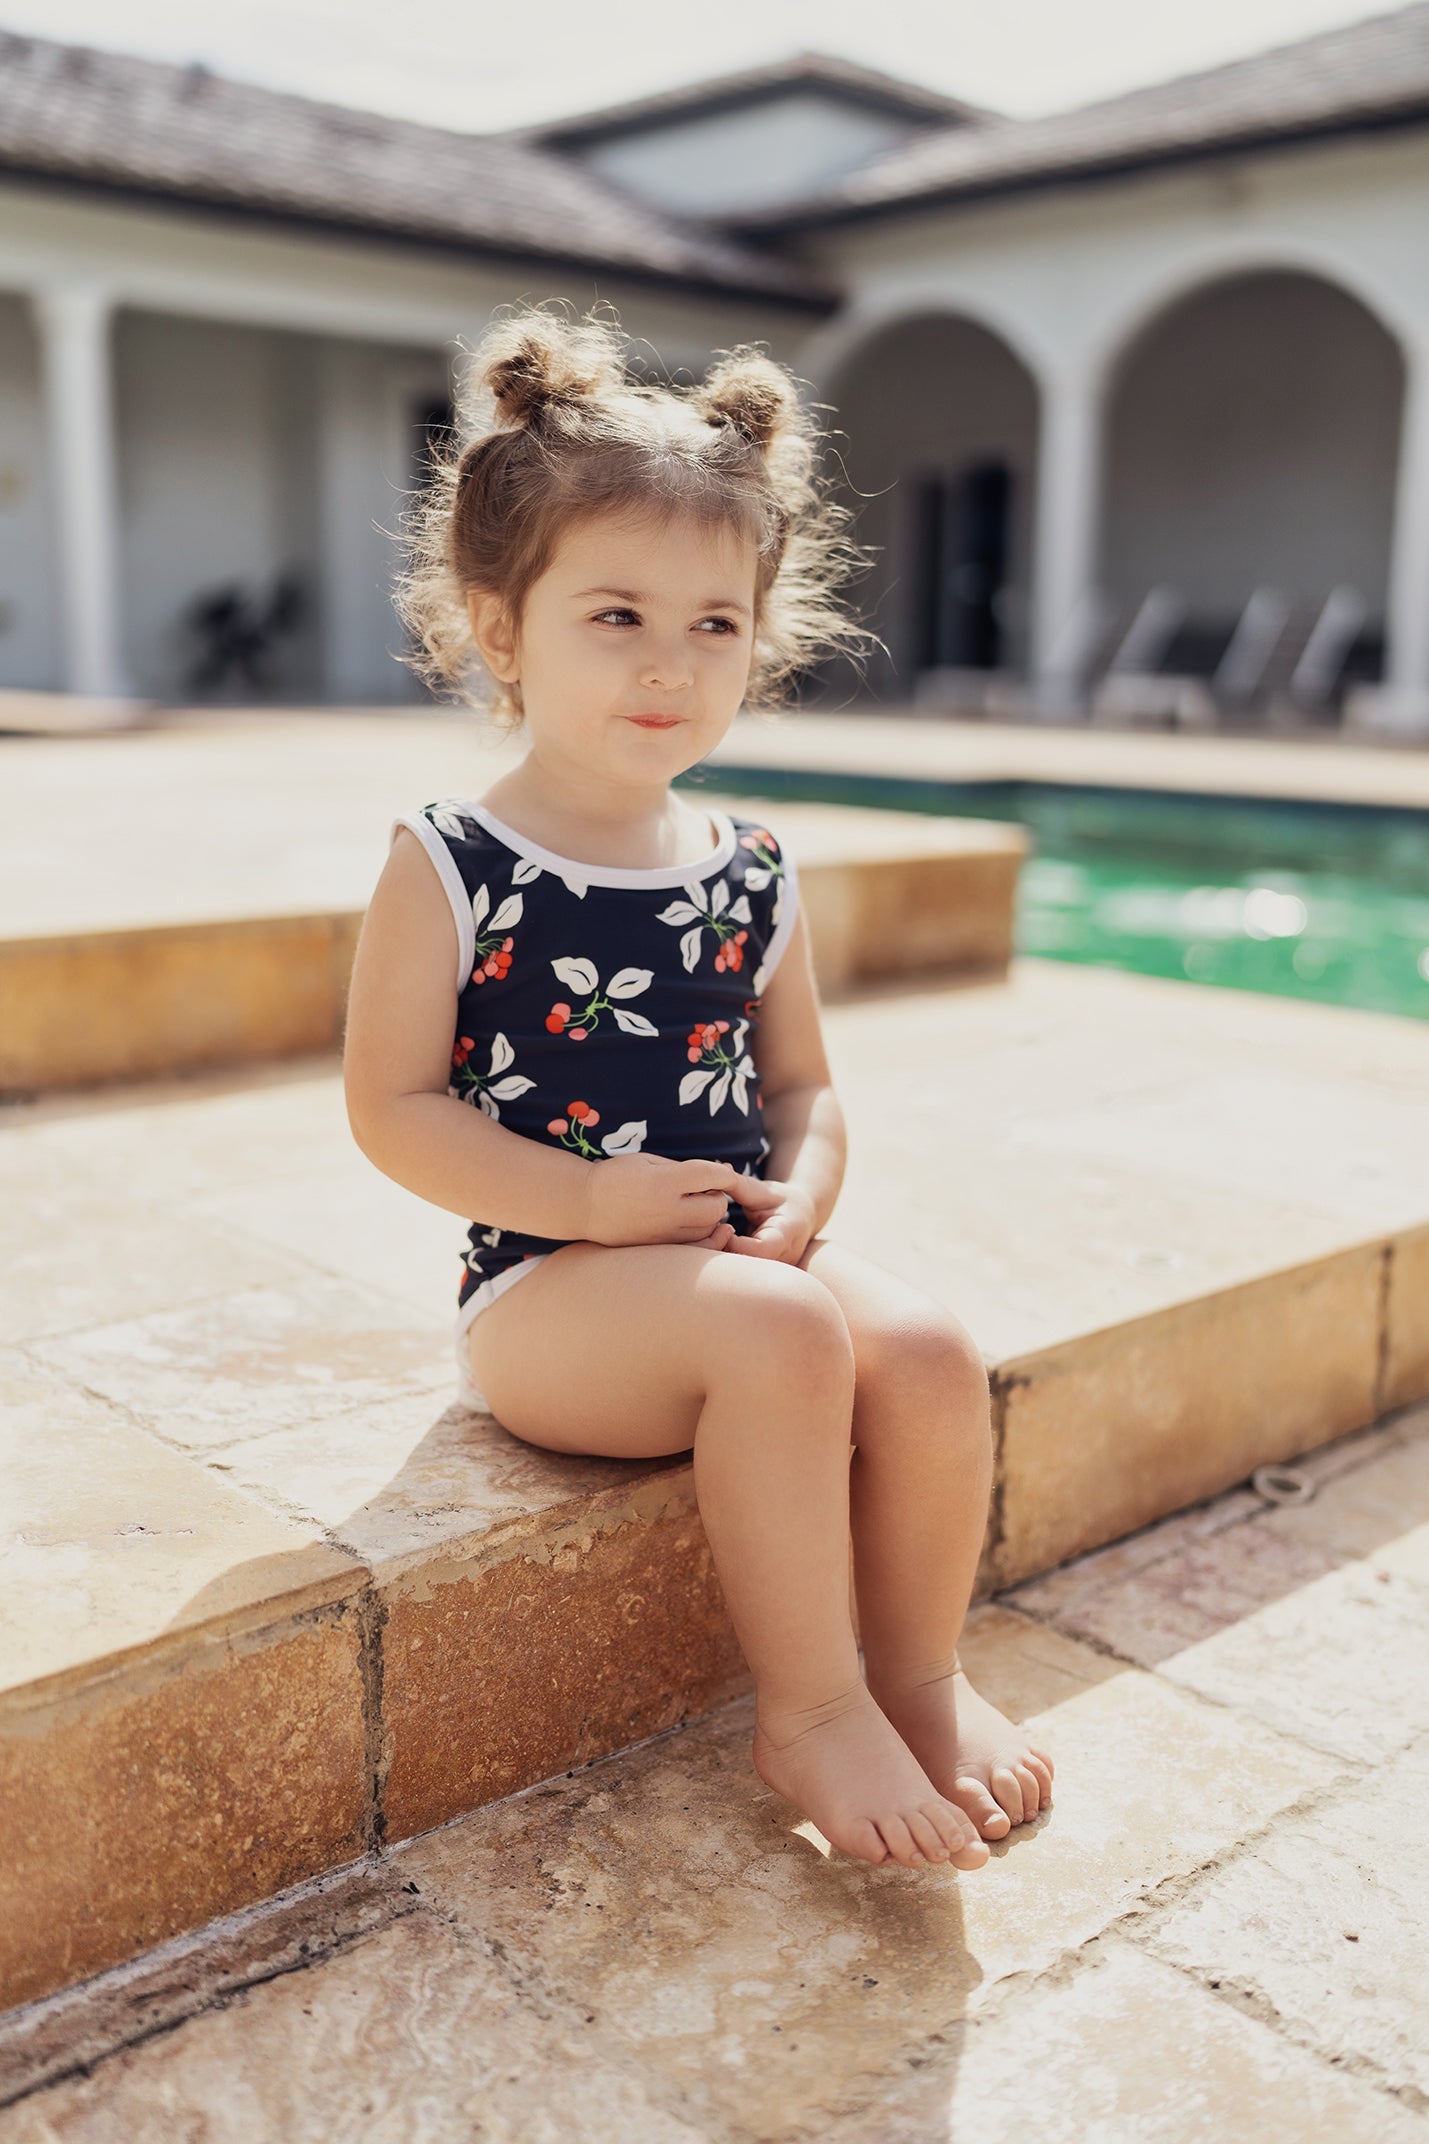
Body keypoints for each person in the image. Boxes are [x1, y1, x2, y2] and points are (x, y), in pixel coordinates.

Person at [342, 301, 1053, 1873]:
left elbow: (804, 1087)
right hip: (551, 1295)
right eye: (615, 615)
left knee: (924, 1350)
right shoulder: (454, 861)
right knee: (782, 1334)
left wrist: (806, 1195)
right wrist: (587, 1201)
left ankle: (917, 1676)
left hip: (735, 1266)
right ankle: (809, 1708)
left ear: (760, 638)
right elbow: (390, 1107)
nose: (670, 663)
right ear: (499, 630)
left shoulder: (749, 864)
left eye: (714, 623)